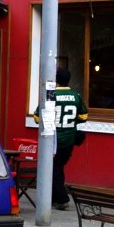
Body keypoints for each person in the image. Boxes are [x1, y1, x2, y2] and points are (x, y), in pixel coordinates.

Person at [42, 67, 87, 210]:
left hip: (53, 140)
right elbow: (83, 117)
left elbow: (38, 117)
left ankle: (62, 199)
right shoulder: (76, 96)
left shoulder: (51, 95)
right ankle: (55, 198)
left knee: (54, 168)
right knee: (58, 167)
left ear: (57, 81)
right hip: (69, 140)